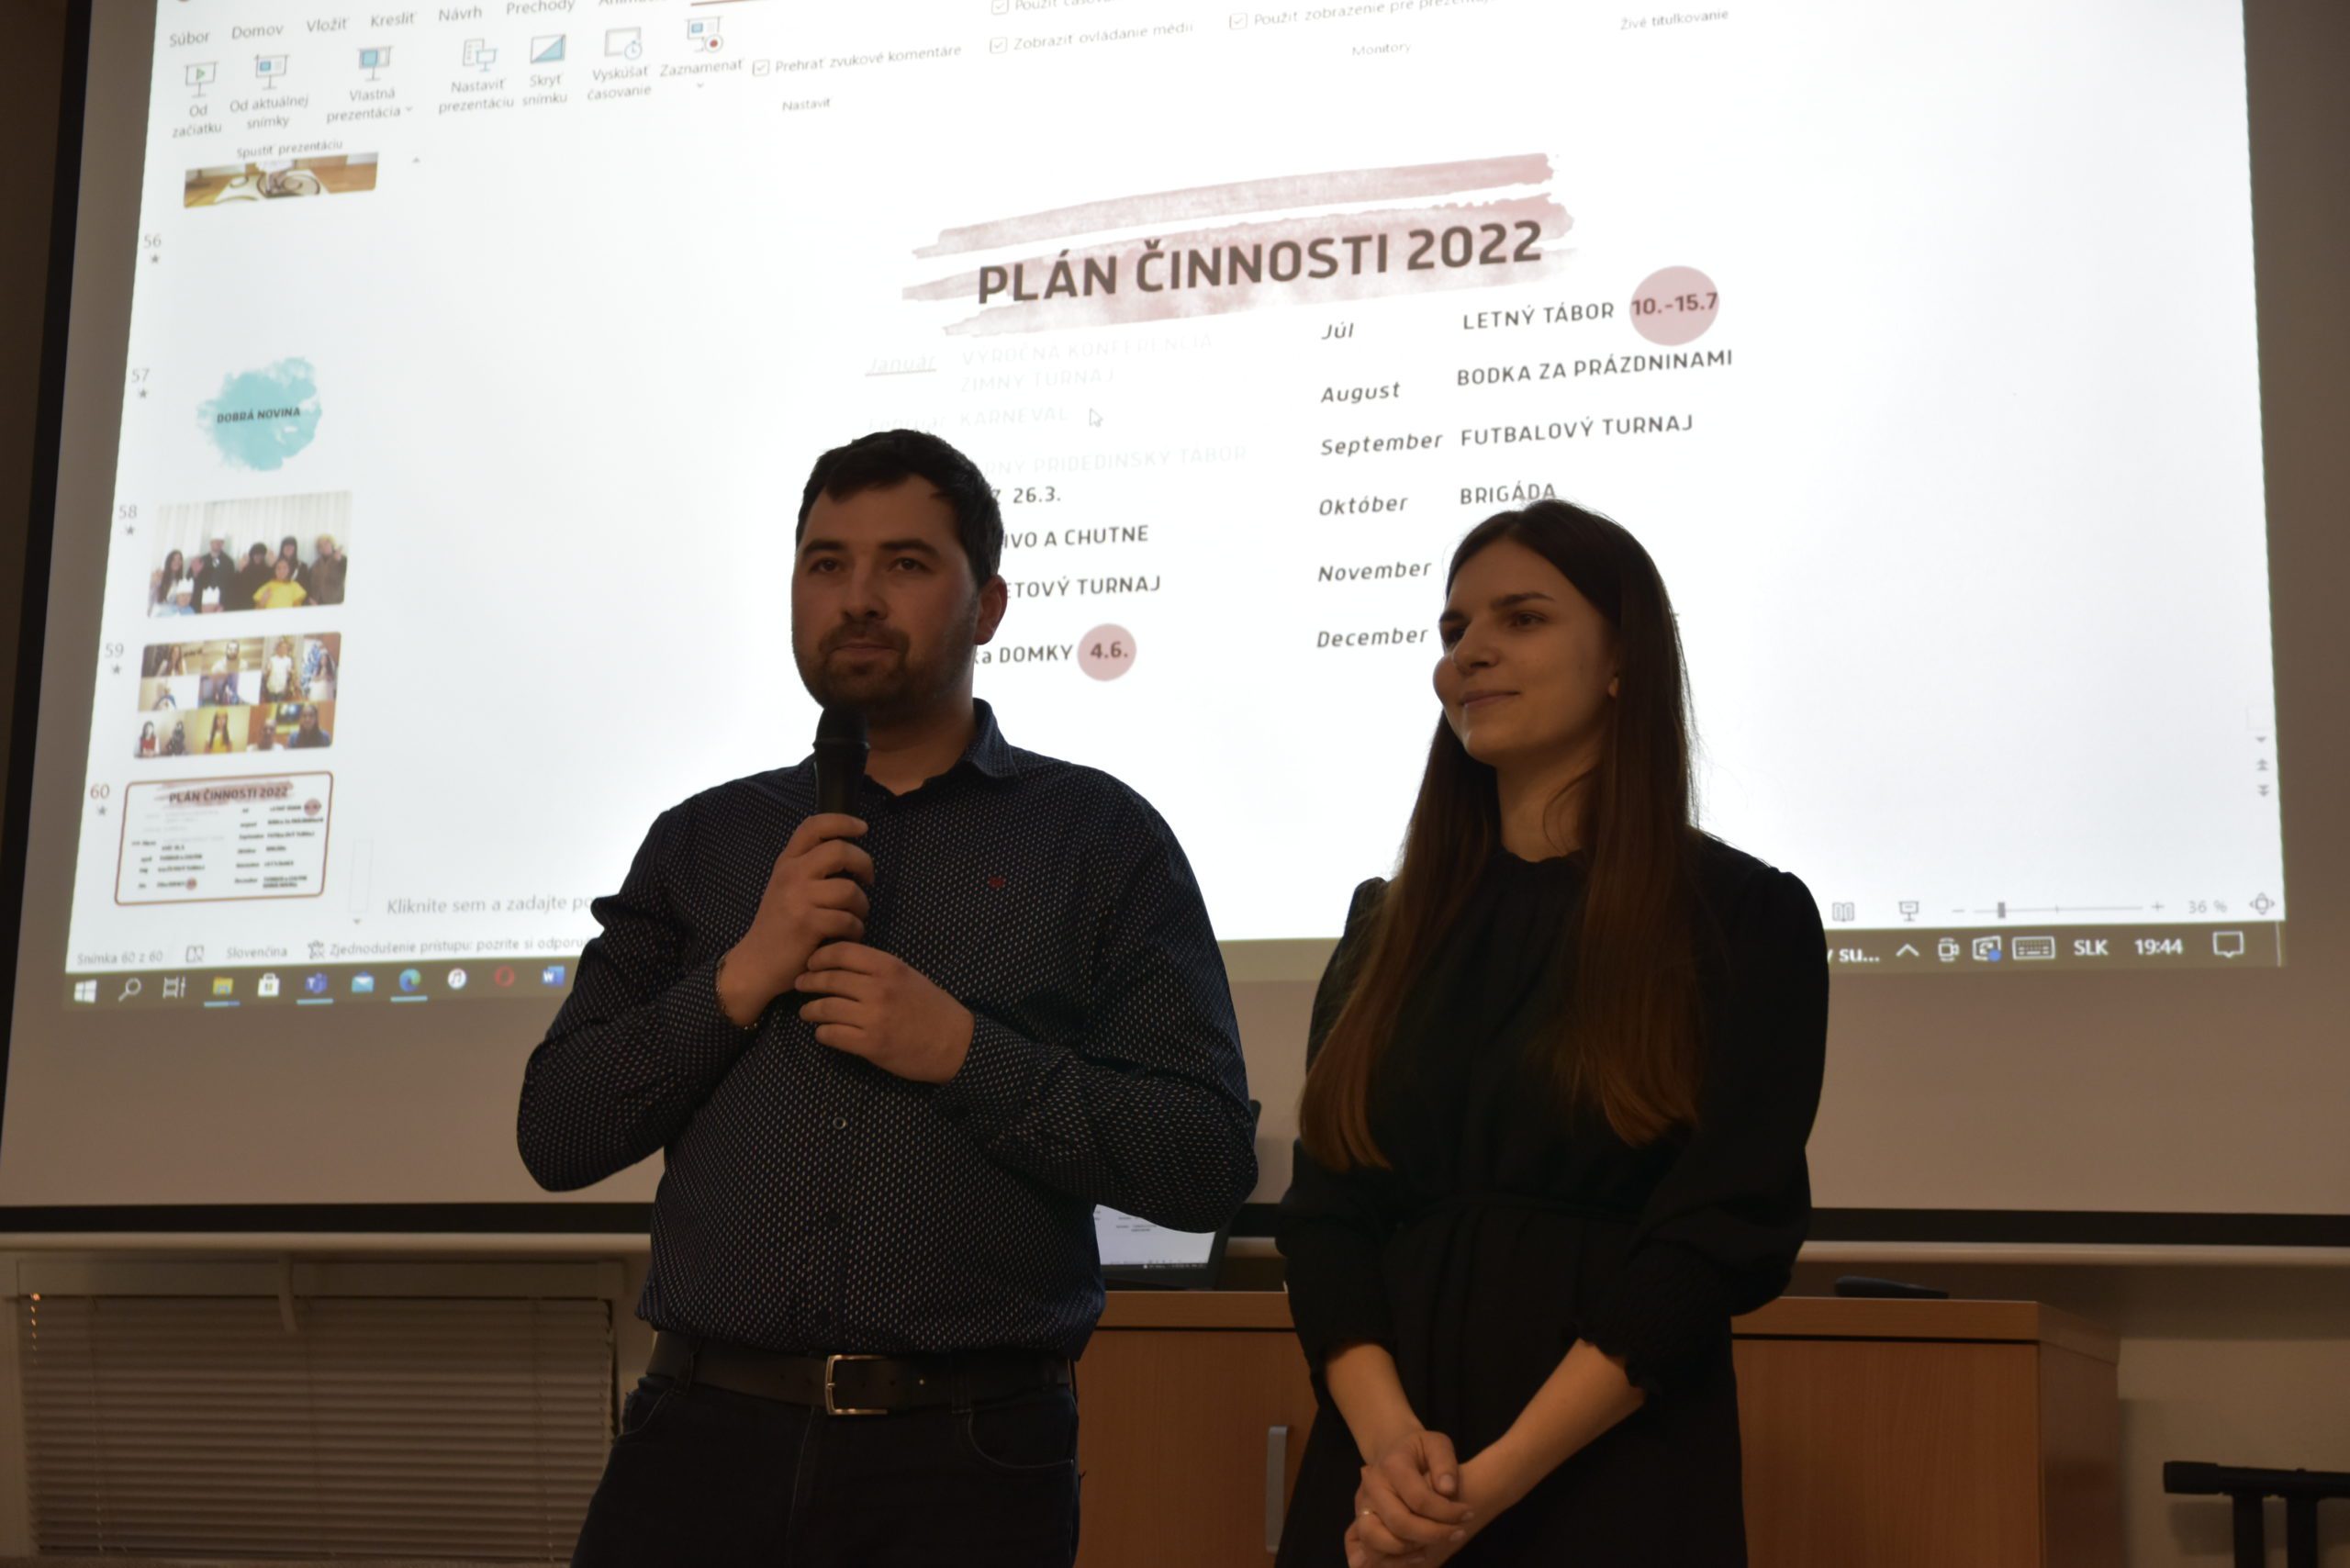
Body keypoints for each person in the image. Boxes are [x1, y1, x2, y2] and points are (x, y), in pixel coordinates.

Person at [520, 429, 1256, 1568]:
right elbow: (557, 1132)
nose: (857, 597)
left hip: (965, 1458)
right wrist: (742, 975)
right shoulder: (702, 842)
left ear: (988, 605)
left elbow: (1202, 1159)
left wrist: (966, 1051)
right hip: (696, 1442)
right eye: (826, 564)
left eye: (904, 564)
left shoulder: (1098, 840)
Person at [1275, 499, 1829, 1568]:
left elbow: (1715, 1235)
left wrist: (1486, 1484)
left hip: (1609, 1477)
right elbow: (1328, 1219)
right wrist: (1392, 1452)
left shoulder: (1740, 916)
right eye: (1453, 630)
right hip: (1382, 1489)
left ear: (1623, 659)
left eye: (1520, 619)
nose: (1468, 653)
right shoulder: (1383, 928)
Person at [191, 537, 237, 610]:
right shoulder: (201, 560)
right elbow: (192, 582)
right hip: (201, 602)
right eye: (215, 541)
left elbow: (231, 586)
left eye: (220, 541)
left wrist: (225, 605)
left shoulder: (229, 562)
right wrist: (195, 573)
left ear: (223, 544)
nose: (218, 543)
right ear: (211, 543)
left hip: (220, 603)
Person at [151, 550, 195, 616]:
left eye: (179, 559)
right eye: (174, 559)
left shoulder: (181, 580)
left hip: (173, 613)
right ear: (169, 561)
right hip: (158, 612)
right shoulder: (161, 575)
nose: (177, 562)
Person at [233, 543, 273, 611]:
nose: (258, 557)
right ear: (251, 555)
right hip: (244, 604)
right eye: (256, 554)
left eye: (261, 555)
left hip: (260, 604)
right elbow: (236, 586)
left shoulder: (268, 571)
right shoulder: (244, 569)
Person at [309, 534, 346, 605]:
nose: (324, 547)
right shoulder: (316, 564)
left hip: (335, 602)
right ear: (319, 549)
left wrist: (340, 561)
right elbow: (310, 583)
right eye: (320, 546)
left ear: (332, 544)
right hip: (318, 602)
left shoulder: (343, 559)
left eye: (326, 544)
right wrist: (311, 598)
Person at [263, 637, 299, 701]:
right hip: (272, 685)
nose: (283, 650)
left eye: (285, 648)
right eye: (282, 648)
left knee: (279, 702)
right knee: (271, 702)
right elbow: (267, 672)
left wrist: (294, 676)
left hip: (281, 686)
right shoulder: (272, 659)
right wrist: (267, 674)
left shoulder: (288, 660)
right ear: (278, 648)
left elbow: (289, 672)